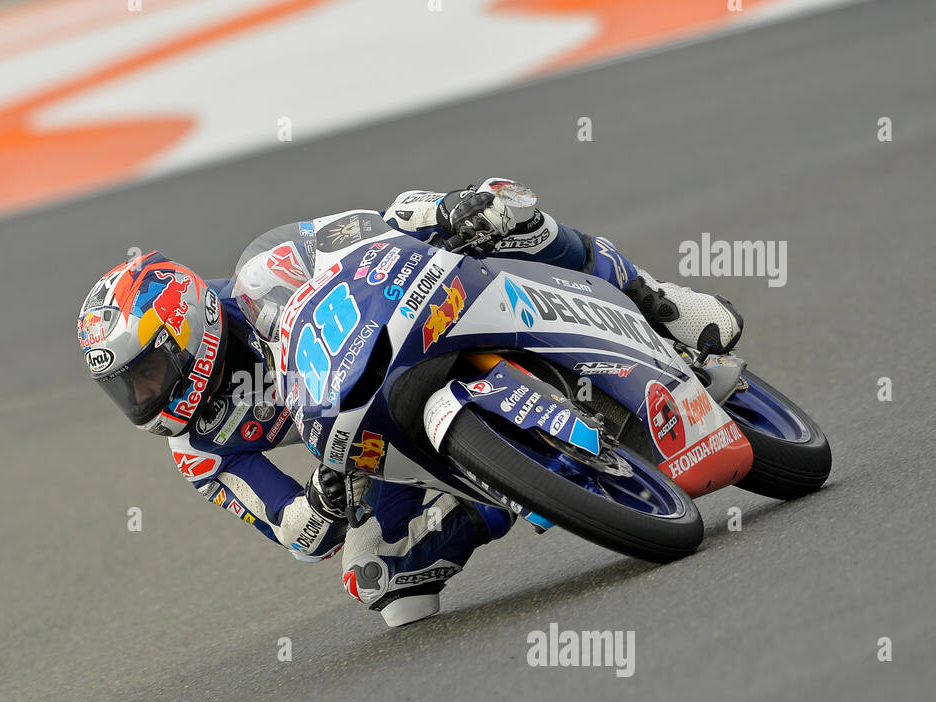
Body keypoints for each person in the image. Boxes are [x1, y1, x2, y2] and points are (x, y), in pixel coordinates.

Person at [77, 178, 743, 627]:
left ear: (187, 327)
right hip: (365, 437)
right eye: (127, 389)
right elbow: (295, 533)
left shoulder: (262, 276)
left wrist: (434, 214)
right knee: (378, 582)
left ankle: (658, 301)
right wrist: (326, 498)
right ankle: (505, 492)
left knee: (498, 210)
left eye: (148, 372)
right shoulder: (197, 447)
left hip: (410, 319)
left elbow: (357, 230)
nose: (144, 396)